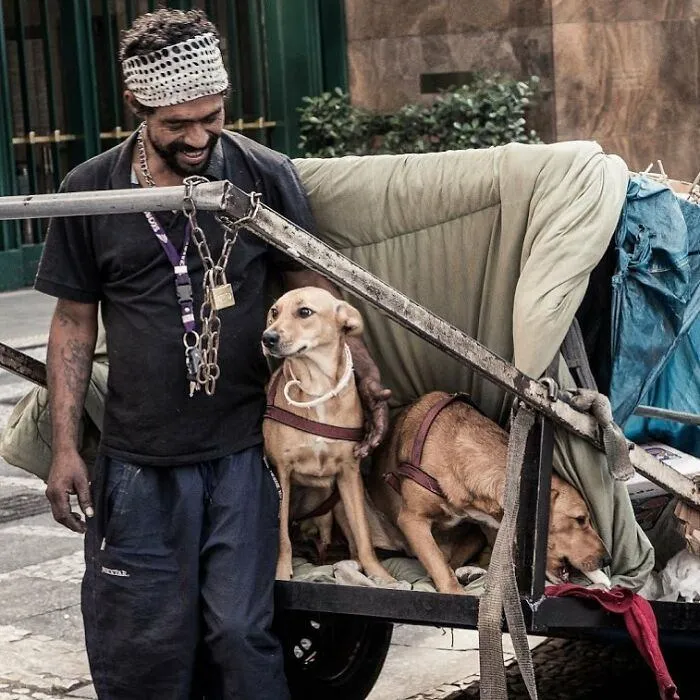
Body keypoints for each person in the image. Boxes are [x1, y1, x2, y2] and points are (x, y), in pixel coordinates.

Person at [35, 8, 390, 699]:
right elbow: (72, 324)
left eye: (213, 117)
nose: (198, 136)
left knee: (239, 633)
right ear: (137, 104)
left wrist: (363, 382)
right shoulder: (88, 190)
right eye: (177, 125)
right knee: (145, 642)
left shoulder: (265, 175)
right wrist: (64, 446)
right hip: (138, 463)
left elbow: (310, 296)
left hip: (242, 455)